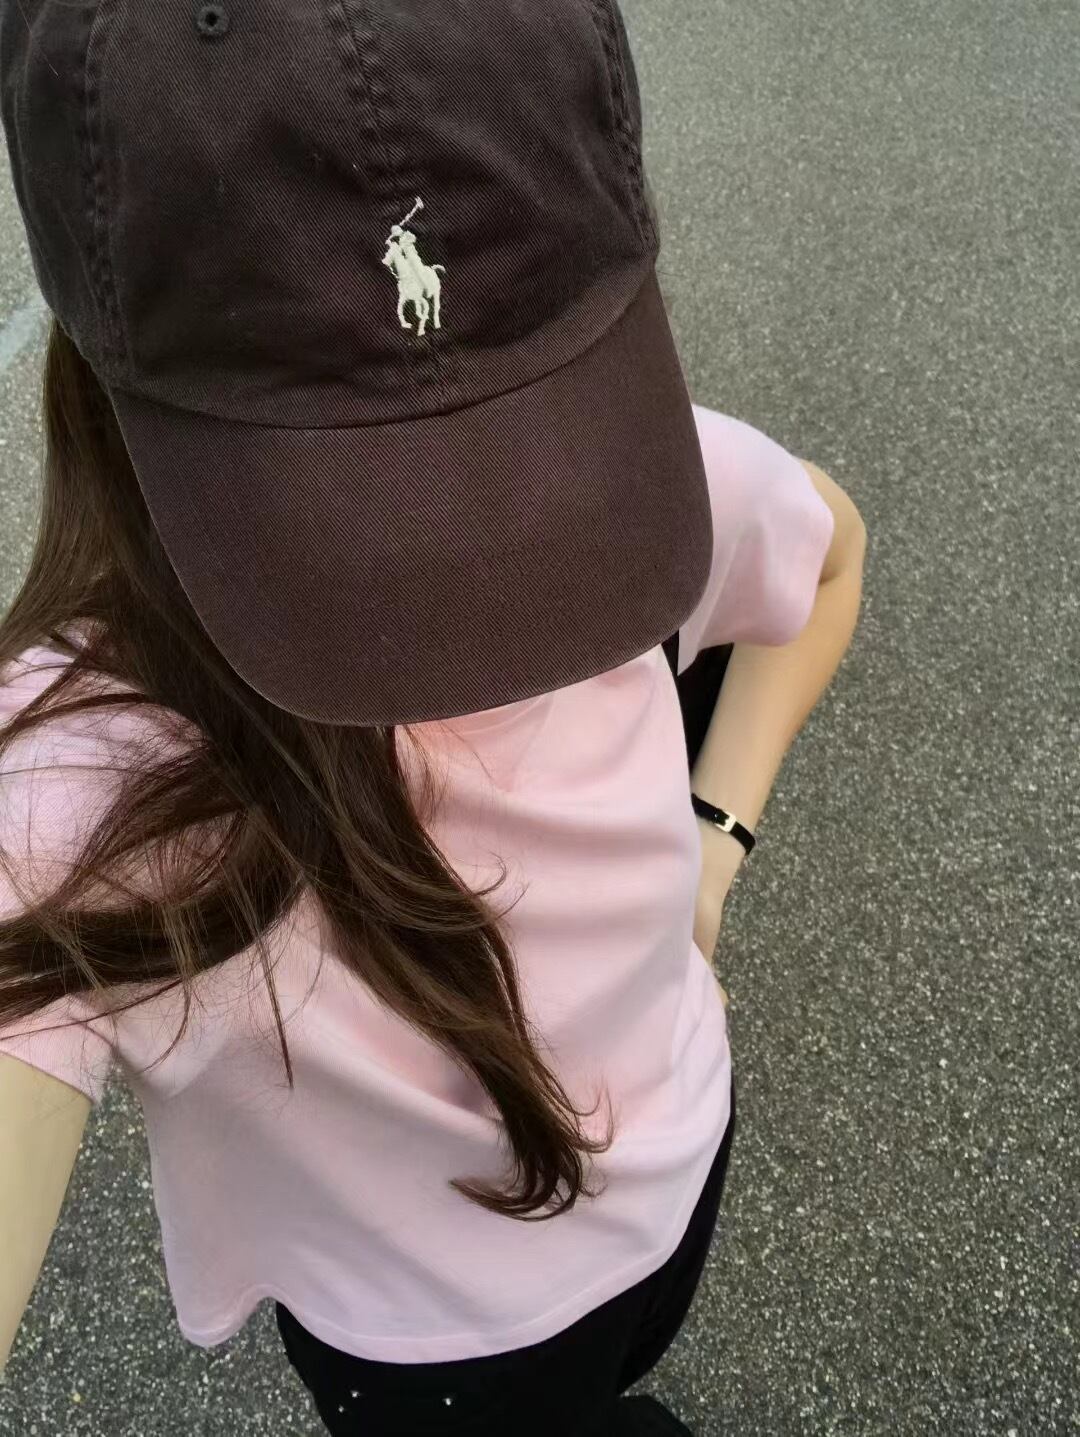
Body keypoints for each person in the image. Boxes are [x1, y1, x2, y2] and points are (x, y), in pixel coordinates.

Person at [0, 0, 866, 1432]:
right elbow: (822, 553)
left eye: (509, 449)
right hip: (526, 1278)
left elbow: (828, 558)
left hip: (548, 1261)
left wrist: (716, 843)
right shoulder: (76, 776)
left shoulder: (86, 756)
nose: (478, 594)